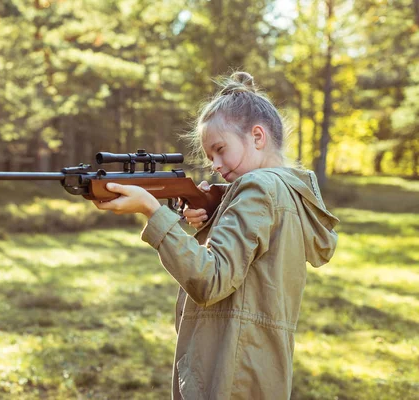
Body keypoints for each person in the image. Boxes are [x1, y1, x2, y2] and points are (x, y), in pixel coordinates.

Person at [92, 71, 339, 399]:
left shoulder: (259, 188)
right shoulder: (287, 190)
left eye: (221, 150)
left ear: (257, 136)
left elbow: (211, 279)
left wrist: (154, 212)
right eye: (210, 157)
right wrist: (213, 217)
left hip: (230, 372)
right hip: (256, 365)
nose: (217, 166)